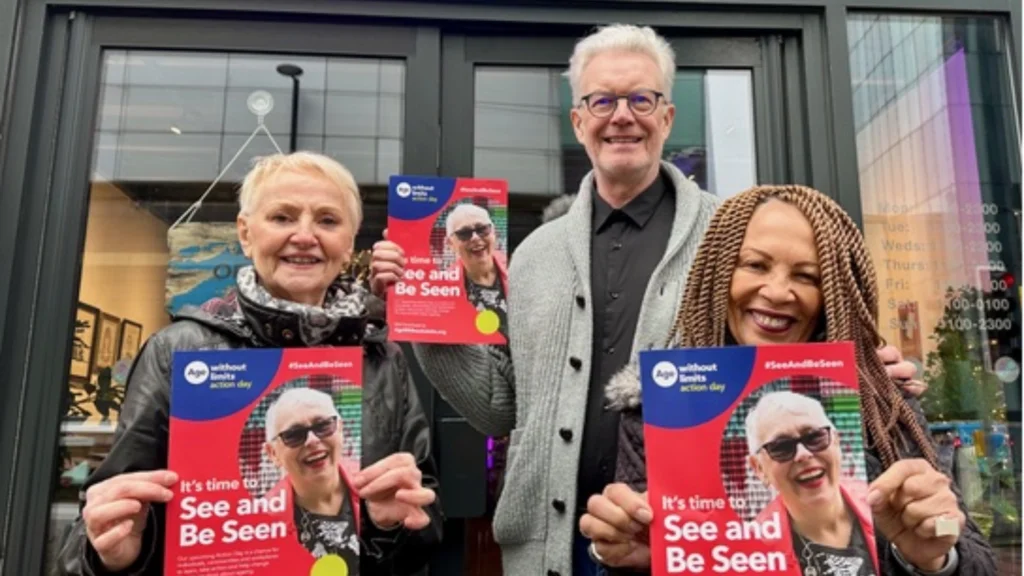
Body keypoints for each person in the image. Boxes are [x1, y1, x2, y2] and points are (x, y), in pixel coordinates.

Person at [370, 24, 922, 576]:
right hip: (549, 552)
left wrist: (864, 373)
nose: (622, 116)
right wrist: (421, 315)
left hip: (686, 544)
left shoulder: (732, 237)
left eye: (641, 99)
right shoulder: (534, 256)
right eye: (602, 100)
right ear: (579, 120)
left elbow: (786, 350)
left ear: (668, 116)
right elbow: (500, 409)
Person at [57, 151, 443, 576]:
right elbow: (100, 526)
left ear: (350, 241)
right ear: (245, 233)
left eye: (328, 221)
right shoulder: (179, 350)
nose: (304, 235)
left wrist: (394, 524)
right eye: (282, 217)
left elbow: (424, 527)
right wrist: (113, 555)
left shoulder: (381, 356)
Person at [592, 185, 996, 575]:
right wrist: (628, 558)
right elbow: (642, 556)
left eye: (808, 276)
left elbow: (973, 560)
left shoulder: (882, 407)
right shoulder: (658, 411)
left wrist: (934, 561)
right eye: (755, 265)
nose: (778, 291)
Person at [746, 390, 879, 576]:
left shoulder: (885, 508)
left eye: (814, 437)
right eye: (781, 447)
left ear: (836, 441)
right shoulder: (750, 554)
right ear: (759, 468)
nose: (803, 454)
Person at [264, 388, 361, 568]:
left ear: (340, 429)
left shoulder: (374, 485)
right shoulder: (262, 524)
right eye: (294, 435)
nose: (312, 440)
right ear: (273, 453)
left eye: (323, 426)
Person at [444, 203, 509, 338]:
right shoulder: (443, 288)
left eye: (482, 229)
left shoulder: (517, 270)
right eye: (464, 233)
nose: (475, 238)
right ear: (450, 244)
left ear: (494, 233)